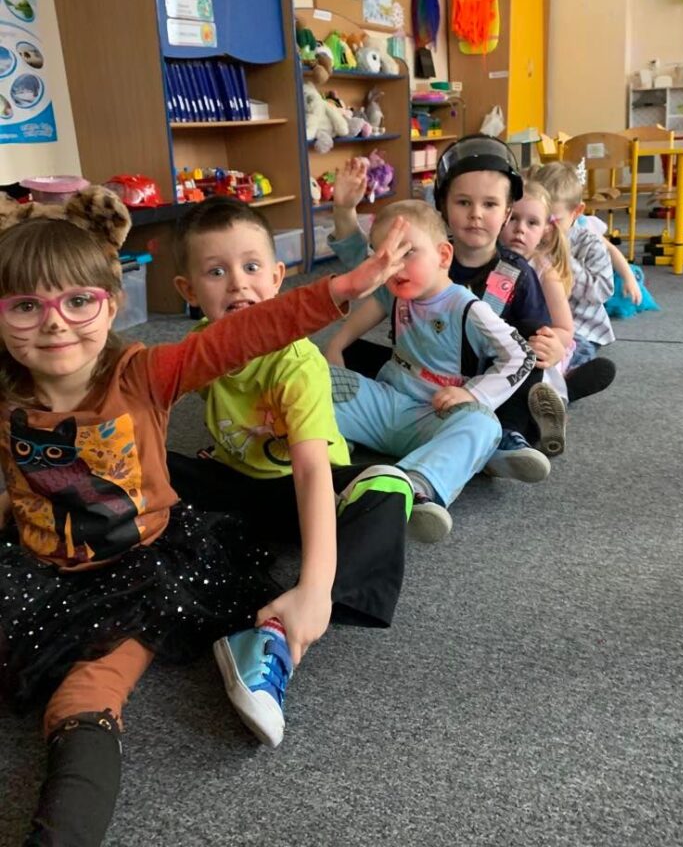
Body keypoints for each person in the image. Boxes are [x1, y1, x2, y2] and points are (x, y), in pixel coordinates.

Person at [0, 187, 409, 847]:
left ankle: (278, 631)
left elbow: (249, 337)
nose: (55, 323)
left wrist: (339, 290)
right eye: (26, 306)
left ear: (110, 303)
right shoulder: (12, 390)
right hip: (69, 551)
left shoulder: (153, 370)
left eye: (77, 301)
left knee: (85, 699)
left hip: (165, 561)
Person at [166, 197, 414, 749]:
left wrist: (315, 588)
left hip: (300, 496)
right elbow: (142, 407)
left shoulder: (297, 363)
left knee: (389, 485)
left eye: (252, 267)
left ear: (278, 278)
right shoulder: (198, 348)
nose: (238, 283)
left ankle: (277, 633)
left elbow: (311, 473)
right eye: (216, 272)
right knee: (144, 466)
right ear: (189, 290)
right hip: (234, 488)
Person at [328, 136, 564, 482]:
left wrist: (555, 345)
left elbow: (532, 344)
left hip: (485, 381)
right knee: (339, 359)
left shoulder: (516, 274)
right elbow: (367, 269)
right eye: (463, 202)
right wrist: (344, 211)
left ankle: (508, 436)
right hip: (418, 371)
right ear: (444, 207)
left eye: (489, 204)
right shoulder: (419, 255)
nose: (476, 214)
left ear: (506, 213)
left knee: (531, 356)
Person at [327, 198, 536, 543]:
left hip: (434, 418)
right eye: (386, 256)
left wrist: (472, 394)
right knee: (313, 377)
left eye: (408, 252)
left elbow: (521, 355)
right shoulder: (394, 293)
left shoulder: (467, 307)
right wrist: (334, 347)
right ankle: (328, 446)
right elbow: (355, 297)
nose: (395, 267)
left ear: (442, 255)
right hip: (386, 403)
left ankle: (413, 486)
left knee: (483, 424)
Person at [528, 161, 618, 401]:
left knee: (578, 350)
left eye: (553, 221)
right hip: (544, 324)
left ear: (577, 212)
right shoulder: (530, 235)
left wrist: (563, 260)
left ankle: (564, 386)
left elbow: (602, 290)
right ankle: (540, 382)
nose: (544, 229)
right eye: (539, 219)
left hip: (581, 328)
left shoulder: (589, 243)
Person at [500, 177, 572, 446]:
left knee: (536, 384)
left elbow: (564, 329)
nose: (520, 229)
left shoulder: (544, 272)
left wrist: (550, 343)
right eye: (513, 219)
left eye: (532, 223)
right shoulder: (490, 260)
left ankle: (545, 417)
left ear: (545, 230)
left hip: (536, 349)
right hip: (497, 347)